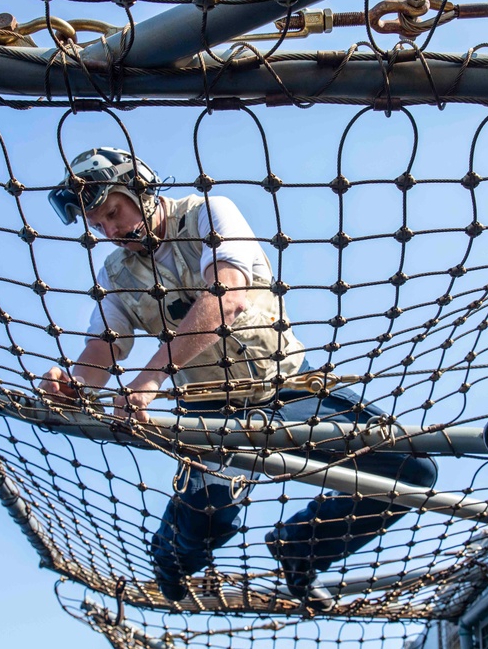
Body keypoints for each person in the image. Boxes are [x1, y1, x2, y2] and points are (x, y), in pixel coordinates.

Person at [39, 147, 437, 611]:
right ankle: (170, 562)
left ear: (140, 189)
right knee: (205, 526)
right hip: (209, 409)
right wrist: (76, 386)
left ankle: (301, 546)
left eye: (113, 212)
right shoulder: (117, 272)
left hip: (287, 385)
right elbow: (105, 343)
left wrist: (149, 380)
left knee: (411, 471)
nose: (112, 231)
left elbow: (227, 296)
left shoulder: (208, 212)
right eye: (99, 226)